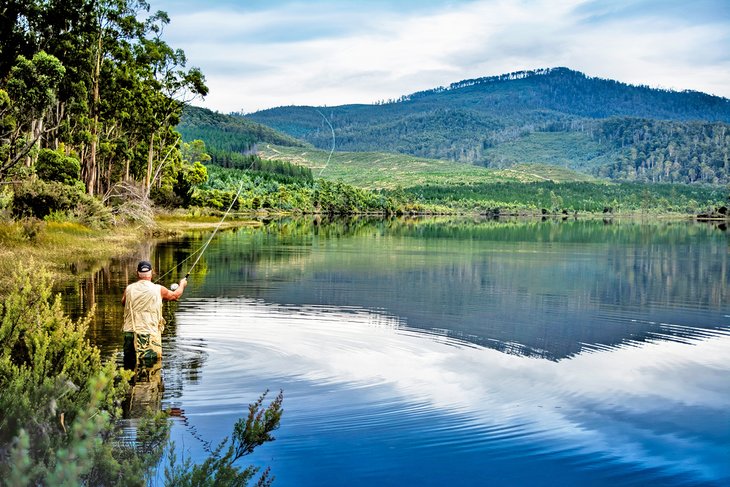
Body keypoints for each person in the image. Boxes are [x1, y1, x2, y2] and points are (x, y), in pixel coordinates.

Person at [122, 260, 187, 367]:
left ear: (137, 273)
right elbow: (175, 295)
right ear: (152, 273)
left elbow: (123, 302)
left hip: (129, 334)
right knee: (150, 367)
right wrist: (182, 284)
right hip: (149, 334)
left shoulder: (129, 289)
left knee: (129, 367)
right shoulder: (159, 289)